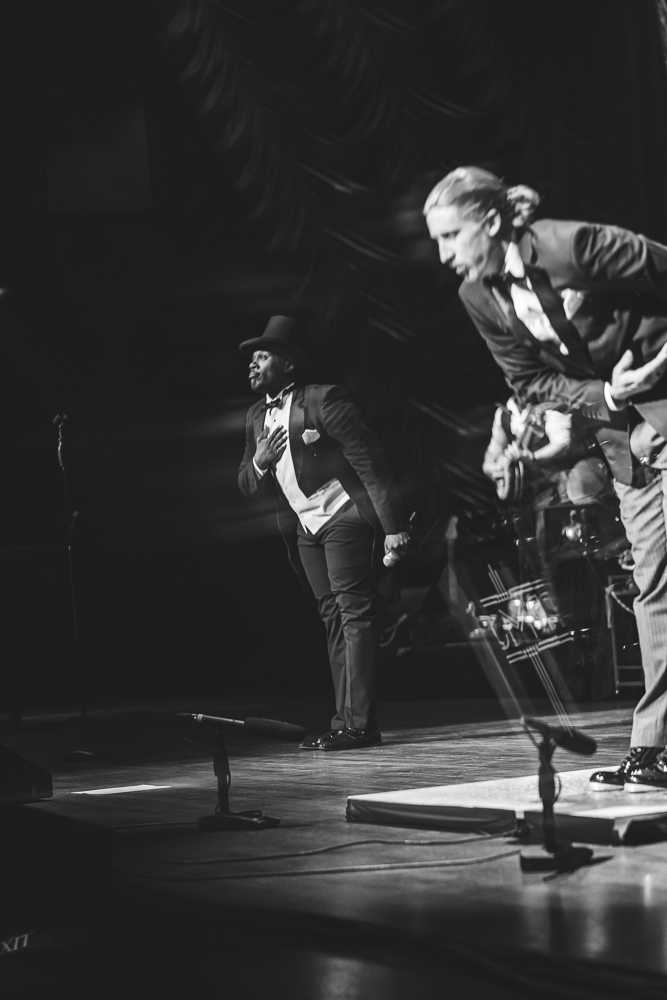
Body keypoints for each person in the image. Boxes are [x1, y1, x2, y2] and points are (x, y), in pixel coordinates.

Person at [424, 165, 667, 791]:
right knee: (654, 582)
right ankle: (654, 748)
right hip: (623, 435)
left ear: (493, 220)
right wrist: (610, 393)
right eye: (437, 242)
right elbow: (531, 385)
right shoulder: (476, 294)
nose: (444, 255)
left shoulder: (574, 245)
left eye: (452, 237)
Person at [238, 315, 409, 751]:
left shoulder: (322, 399)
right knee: (333, 618)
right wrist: (258, 460)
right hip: (305, 527)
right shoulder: (256, 416)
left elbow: (370, 460)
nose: (253, 364)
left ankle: (360, 724)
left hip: (343, 514)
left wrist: (392, 528)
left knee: (354, 614)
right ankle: (344, 720)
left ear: (289, 364)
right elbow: (243, 479)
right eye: (252, 359)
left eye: (263, 355)